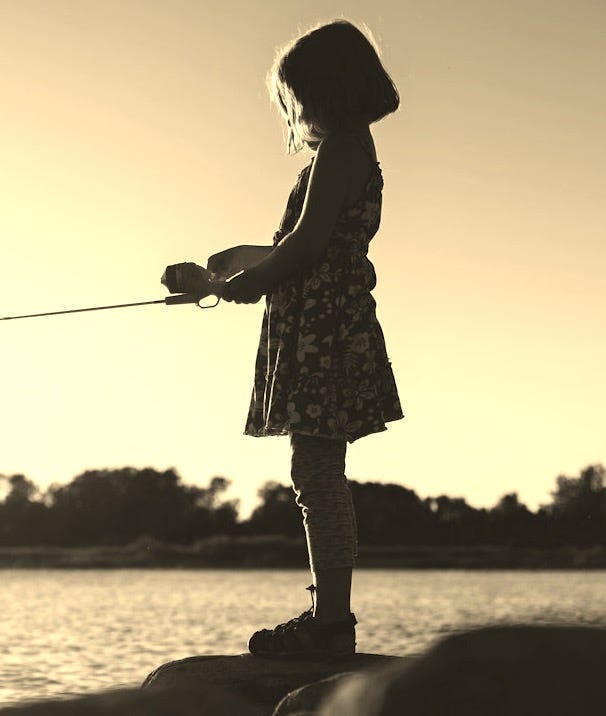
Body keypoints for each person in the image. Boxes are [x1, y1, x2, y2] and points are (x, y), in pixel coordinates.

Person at [209, 19, 404, 659]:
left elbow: (308, 245)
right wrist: (232, 266)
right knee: (317, 469)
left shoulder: (343, 150)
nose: (296, 111)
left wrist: (254, 281)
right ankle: (329, 617)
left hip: (325, 331)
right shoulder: (352, 150)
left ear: (325, 90)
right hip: (326, 322)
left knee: (316, 470)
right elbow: (303, 247)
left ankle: (331, 625)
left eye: (298, 96)